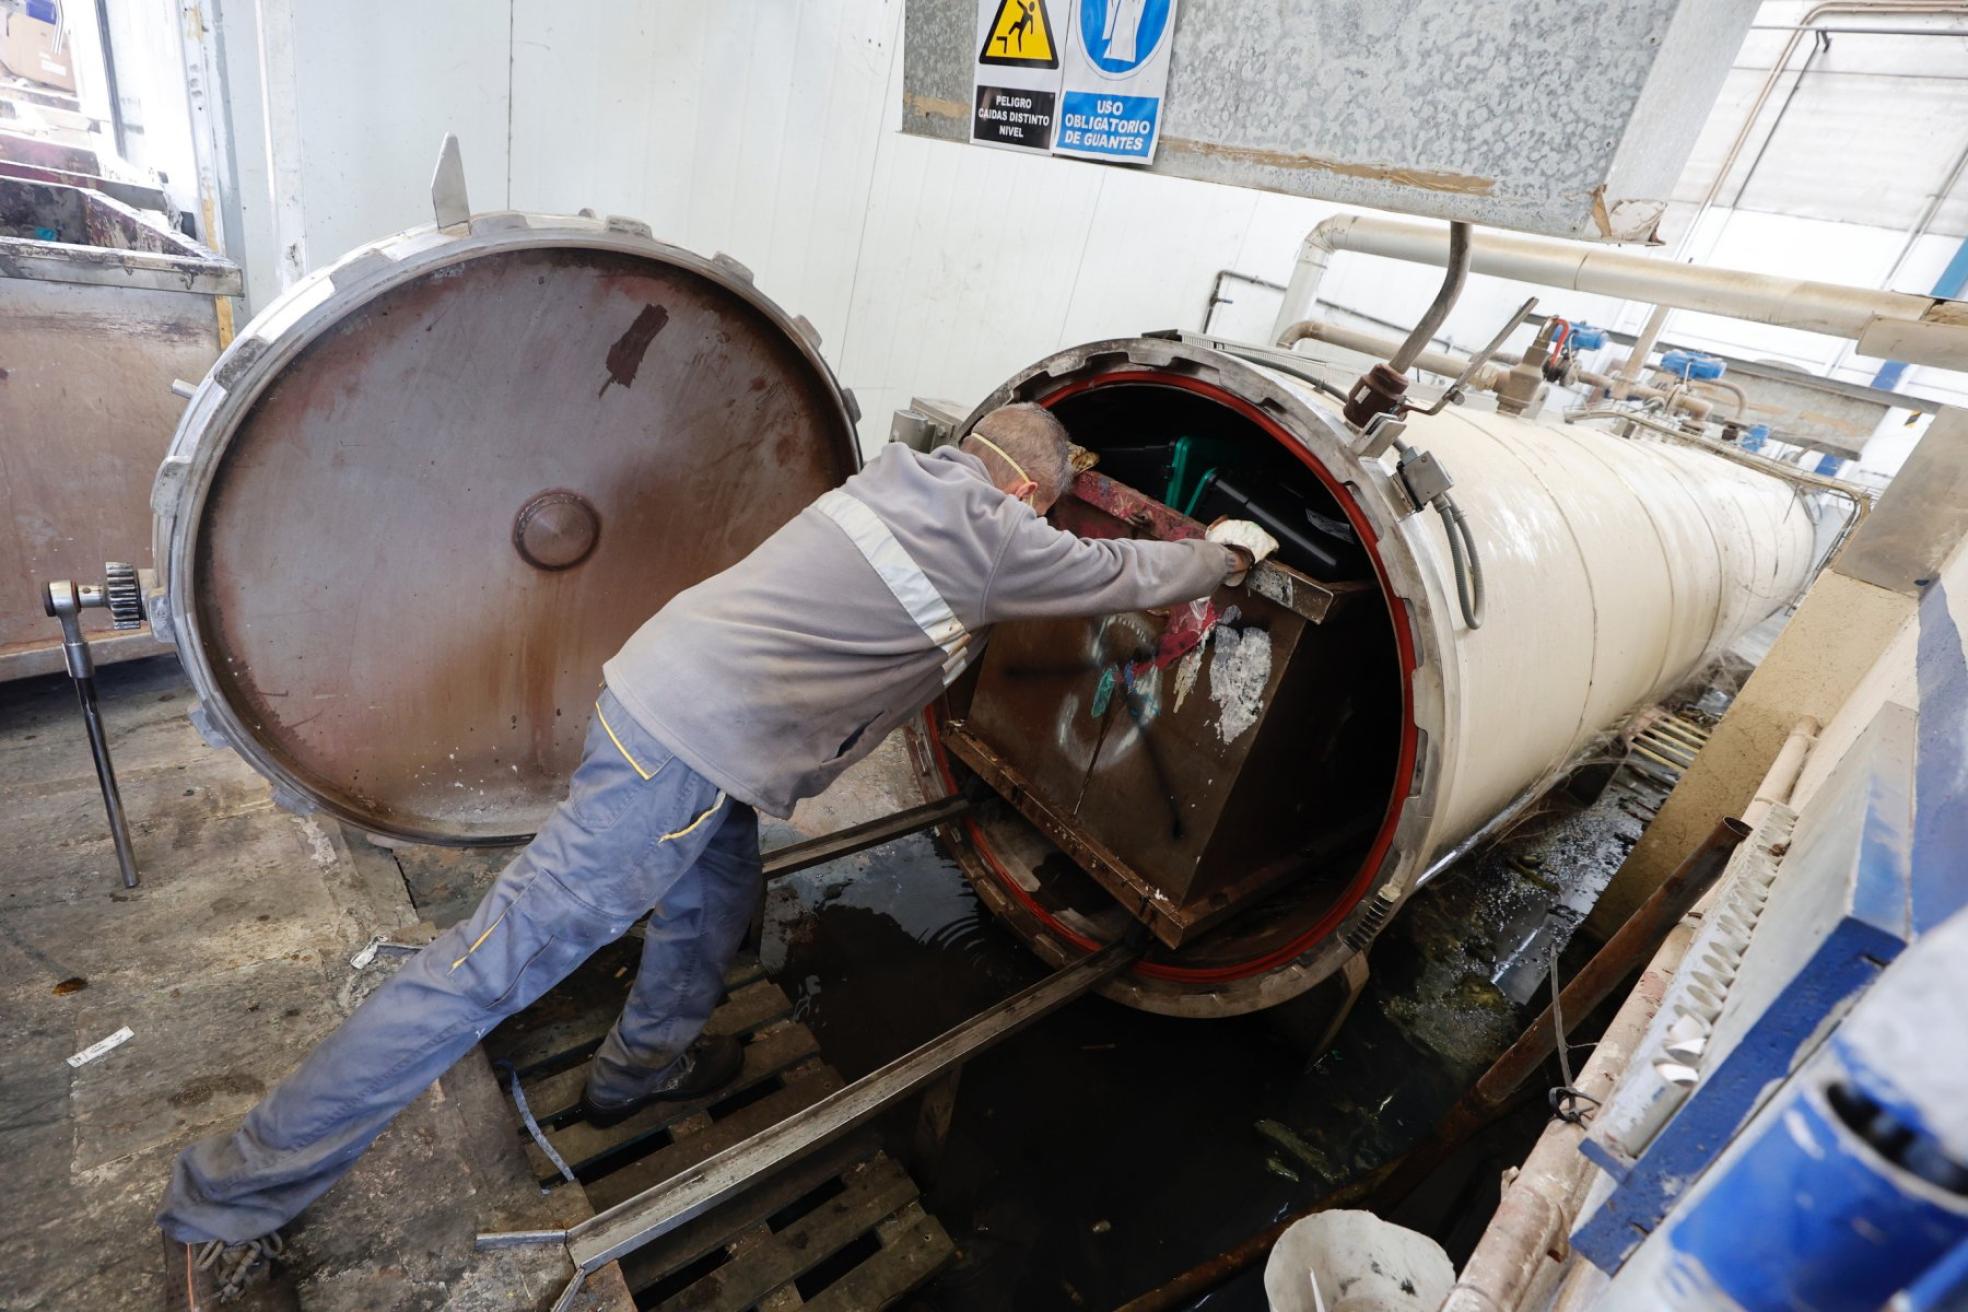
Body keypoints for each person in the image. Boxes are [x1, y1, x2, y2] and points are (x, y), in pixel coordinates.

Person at [156, 402, 1276, 1307]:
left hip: (666, 709)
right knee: (483, 970)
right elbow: (1129, 578)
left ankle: (636, 1075)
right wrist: (1224, 556)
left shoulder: (898, 479)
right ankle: (224, 1198)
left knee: (719, 887)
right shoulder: (992, 535)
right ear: (1028, 488)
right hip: (685, 759)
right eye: (1038, 503)